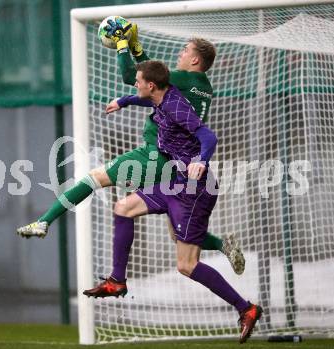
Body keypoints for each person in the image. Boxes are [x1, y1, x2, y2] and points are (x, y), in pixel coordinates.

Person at [16, 22, 245, 273]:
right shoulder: (201, 85)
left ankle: (43, 222)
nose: (180, 53)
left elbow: (134, 78)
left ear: (194, 60)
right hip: (177, 165)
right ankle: (224, 245)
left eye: (185, 50)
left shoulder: (181, 78)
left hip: (156, 156)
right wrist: (136, 53)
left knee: (93, 178)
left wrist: (122, 44)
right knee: (178, 235)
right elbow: (152, 84)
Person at [84, 60, 262, 344]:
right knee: (123, 208)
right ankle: (117, 281)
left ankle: (246, 308)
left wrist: (201, 161)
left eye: (138, 81)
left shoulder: (176, 106)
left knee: (187, 265)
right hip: (172, 181)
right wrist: (124, 100)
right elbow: (146, 101)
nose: (135, 84)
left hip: (195, 189)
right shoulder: (159, 99)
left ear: (151, 85)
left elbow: (208, 135)